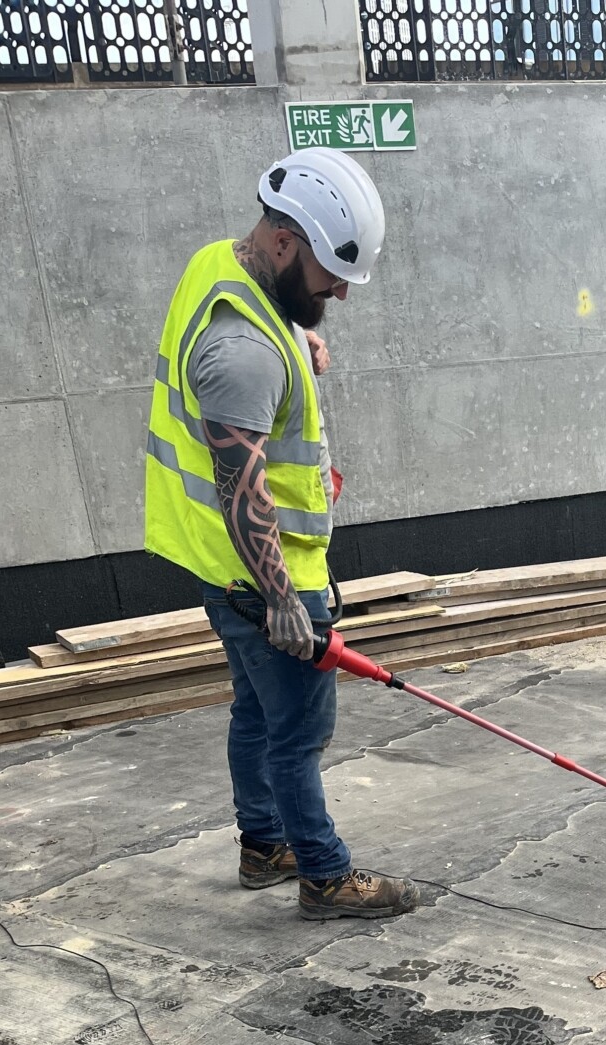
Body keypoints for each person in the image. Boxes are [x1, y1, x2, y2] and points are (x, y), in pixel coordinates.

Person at [144, 151, 419, 922]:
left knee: (255, 714)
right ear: (284, 243)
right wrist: (284, 602)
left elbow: (263, 342)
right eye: (331, 273)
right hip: (266, 573)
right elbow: (241, 486)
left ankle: (263, 846)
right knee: (299, 735)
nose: (337, 291)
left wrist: (301, 343)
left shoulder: (223, 267)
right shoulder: (243, 352)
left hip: (213, 563)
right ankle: (325, 878)